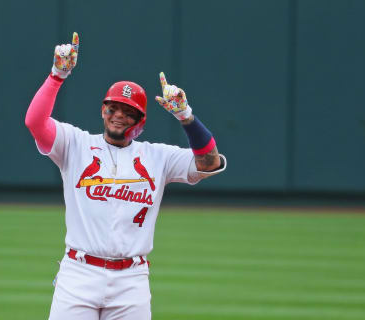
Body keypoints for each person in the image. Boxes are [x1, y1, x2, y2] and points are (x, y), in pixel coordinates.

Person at [25, 32, 226, 320]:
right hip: (79, 273)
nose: (119, 115)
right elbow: (34, 122)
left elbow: (209, 162)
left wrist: (186, 117)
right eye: (113, 107)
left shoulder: (159, 157)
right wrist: (57, 76)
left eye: (128, 111)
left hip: (131, 280)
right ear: (103, 110)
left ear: (140, 122)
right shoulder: (75, 144)